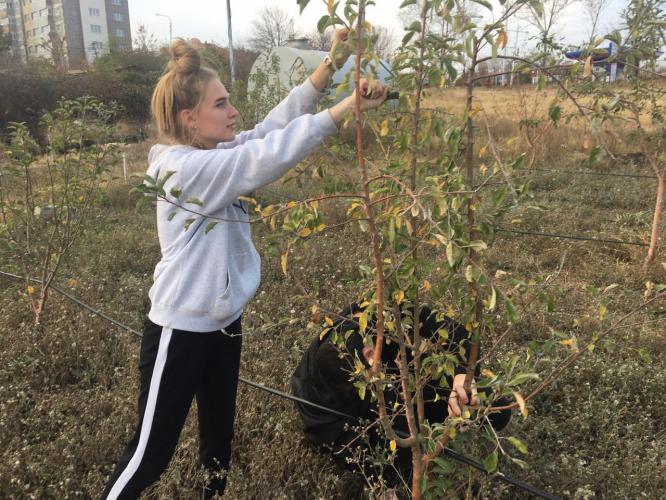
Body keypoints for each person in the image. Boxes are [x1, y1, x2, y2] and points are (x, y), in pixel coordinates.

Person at [101, 32, 390, 500]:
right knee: (150, 454)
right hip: (180, 329)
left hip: (223, 324)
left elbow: (268, 133)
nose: (234, 112)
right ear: (189, 118)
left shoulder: (210, 155)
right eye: (222, 104)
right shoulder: (184, 171)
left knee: (218, 443)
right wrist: (343, 111)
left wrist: (329, 68)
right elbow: (265, 156)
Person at [290, 303, 511, 486]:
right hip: (368, 414)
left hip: (408, 381)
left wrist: (463, 374)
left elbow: (460, 334)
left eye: (372, 363)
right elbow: (329, 441)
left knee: (495, 406)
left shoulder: (378, 311)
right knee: (403, 448)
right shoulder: (317, 399)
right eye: (368, 377)